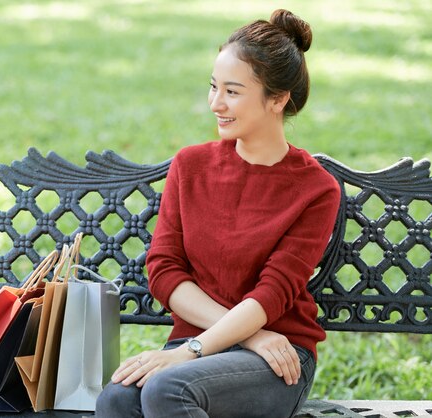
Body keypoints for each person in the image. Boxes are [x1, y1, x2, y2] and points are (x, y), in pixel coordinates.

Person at [95, 9, 341, 418]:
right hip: (223, 344)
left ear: (278, 100)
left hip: (276, 360)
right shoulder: (190, 166)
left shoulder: (315, 190)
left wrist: (203, 349)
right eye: (213, 87)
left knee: (167, 390)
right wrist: (244, 337)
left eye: (232, 91)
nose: (215, 103)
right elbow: (165, 270)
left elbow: (271, 294)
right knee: (117, 398)